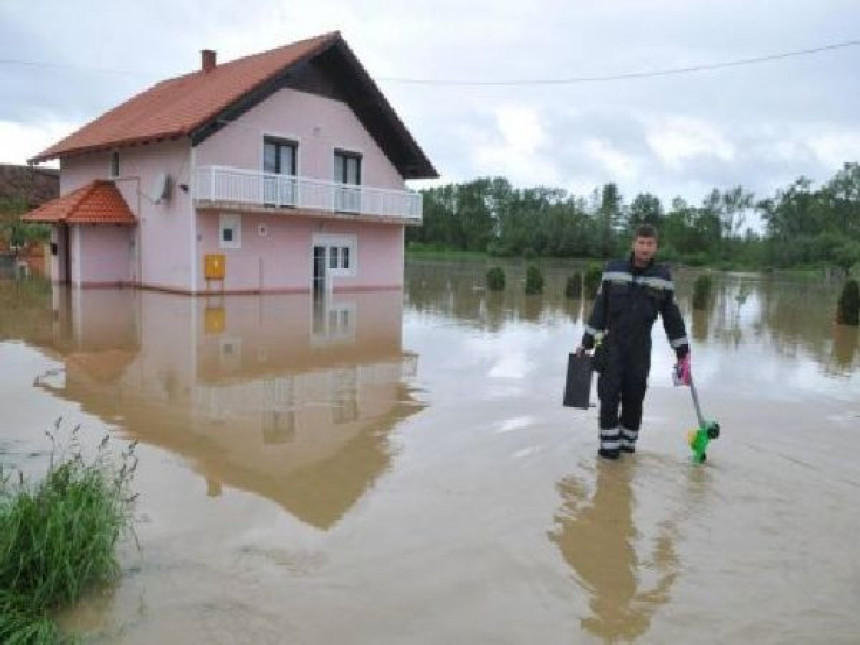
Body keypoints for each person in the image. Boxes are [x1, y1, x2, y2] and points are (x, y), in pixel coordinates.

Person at [576, 224, 690, 459]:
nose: (645, 248)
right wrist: (585, 343)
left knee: (634, 399)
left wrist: (682, 351)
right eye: (641, 242)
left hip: (640, 349)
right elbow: (599, 310)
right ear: (633, 244)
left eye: (650, 244)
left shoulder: (662, 277)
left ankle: (627, 450)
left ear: (655, 247)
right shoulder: (612, 270)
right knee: (607, 399)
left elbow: (672, 318)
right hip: (610, 345)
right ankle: (608, 456)